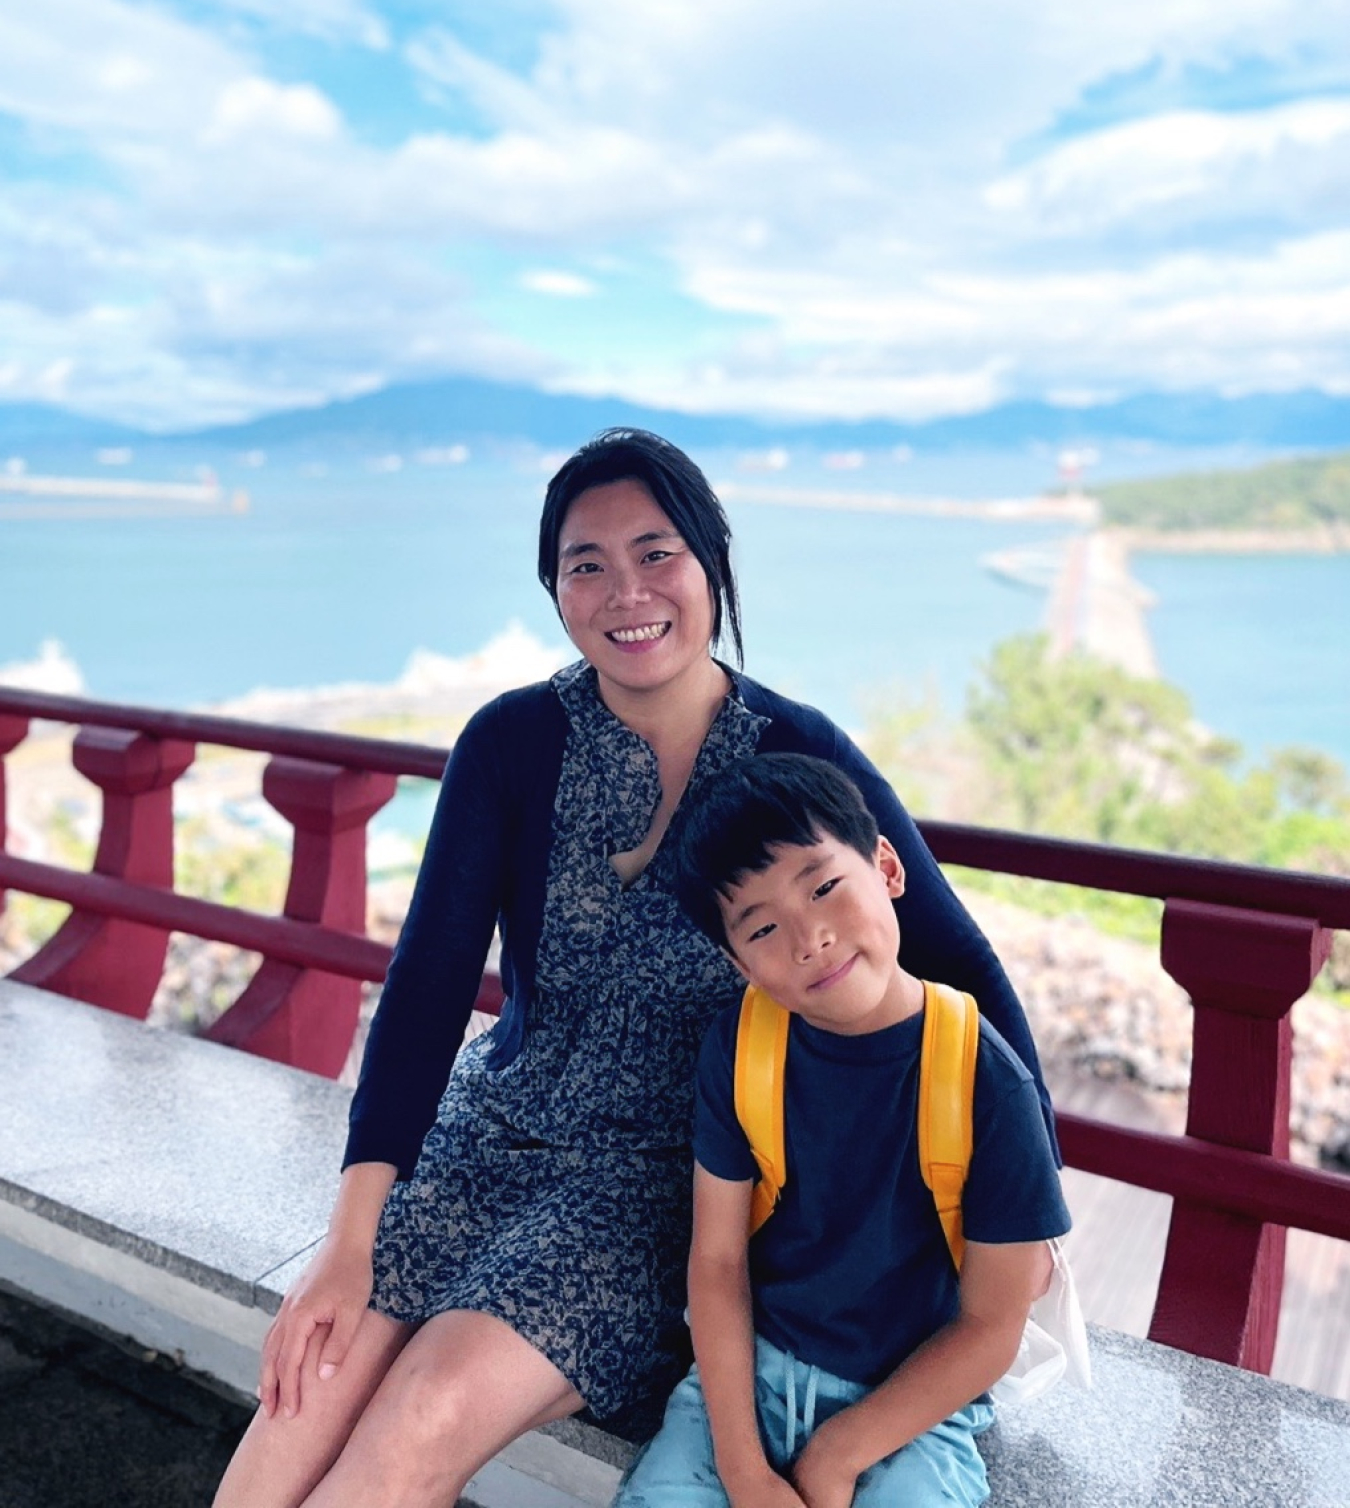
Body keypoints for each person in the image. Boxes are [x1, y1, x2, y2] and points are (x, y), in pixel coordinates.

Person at [214, 427, 1055, 1508]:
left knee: (417, 1414)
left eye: (657, 553)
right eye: (587, 565)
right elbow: (427, 986)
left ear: (712, 562)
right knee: (306, 1389)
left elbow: (956, 961)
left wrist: (1027, 1205)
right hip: (488, 1134)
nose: (628, 591)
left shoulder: (797, 755)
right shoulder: (511, 740)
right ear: (556, 592)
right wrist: (349, 1239)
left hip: (670, 1187)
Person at [615, 753, 1070, 1508]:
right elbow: (718, 1261)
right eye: (761, 927)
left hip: (910, 1409)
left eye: (824, 886)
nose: (808, 938)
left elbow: (993, 1325)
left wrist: (837, 1454)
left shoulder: (985, 1080)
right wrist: (743, 1470)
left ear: (887, 866)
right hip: (749, 1376)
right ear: (738, 962)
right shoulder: (741, 1048)